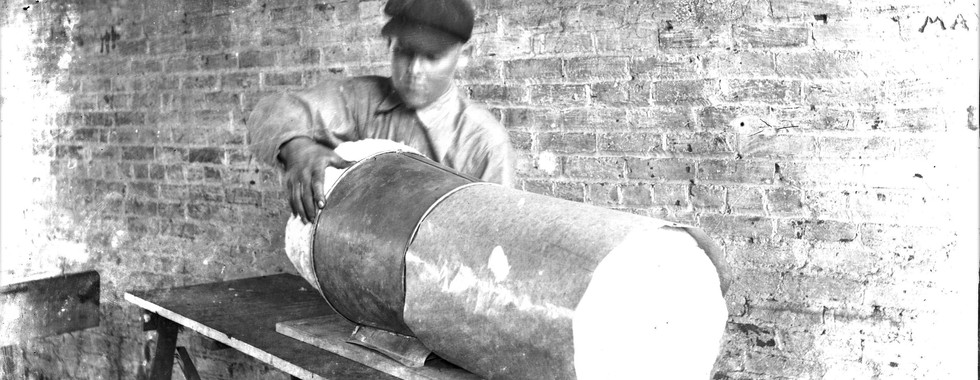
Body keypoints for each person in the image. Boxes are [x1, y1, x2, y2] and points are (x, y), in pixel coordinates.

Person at [246, 0, 516, 224]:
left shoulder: (485, 143)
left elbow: (495, 240)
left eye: (432, 57)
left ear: (463, 55)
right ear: (390, 46)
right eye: (404, 52)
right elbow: (273, 111)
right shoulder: (361, 99)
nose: (414, 71)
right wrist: (299, 150)